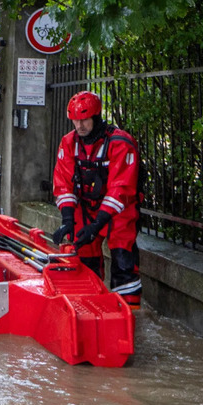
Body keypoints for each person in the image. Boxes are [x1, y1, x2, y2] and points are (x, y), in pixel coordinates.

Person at [51, 90, 142, 309]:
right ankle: (90, 307)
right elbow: (63, 183)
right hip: (86, 206)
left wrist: (98, 223)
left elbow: (121, 188)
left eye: (84, 120)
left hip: (119, 211)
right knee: (83, 257)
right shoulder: (69, 143)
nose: (79, 126)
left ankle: (129, 314)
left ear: (96, 117)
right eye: (75, 120)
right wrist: (68, 220)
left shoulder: (120, 142)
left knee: (122, 258)